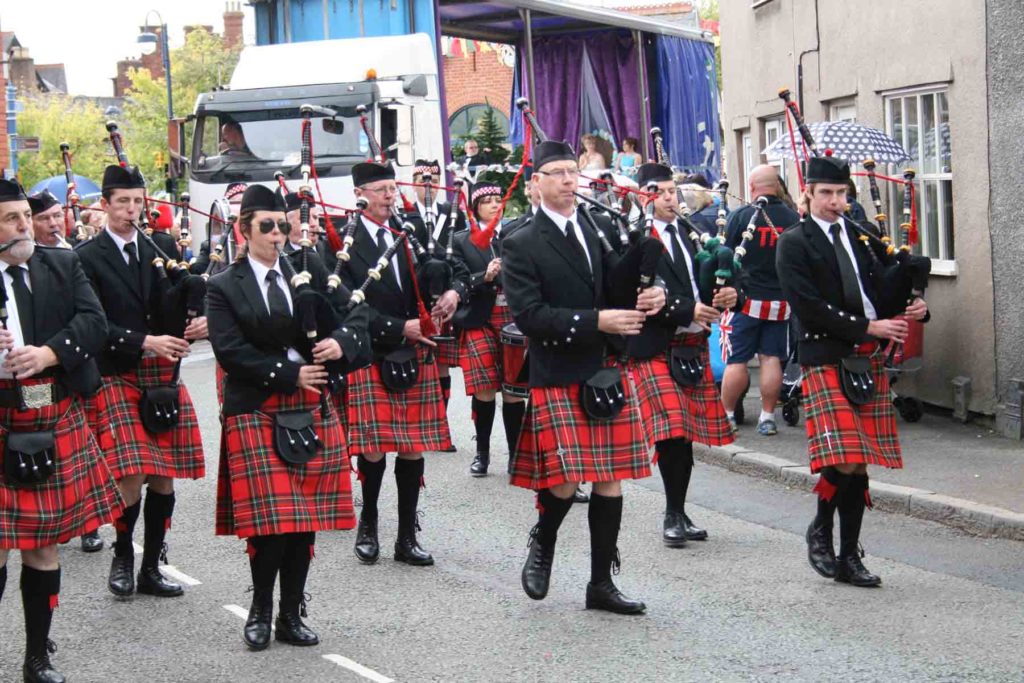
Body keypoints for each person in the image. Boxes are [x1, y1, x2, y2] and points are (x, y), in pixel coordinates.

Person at [502, 140, 665, 614]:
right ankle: (544, 539)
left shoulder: (596, 227)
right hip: (559, 370)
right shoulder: (520, 241)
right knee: (566, 480)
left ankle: (600, 584)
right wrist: (599, 321)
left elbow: (616, 286)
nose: (569, 180)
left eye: (573, 171)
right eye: (556, 172)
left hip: (604, 369)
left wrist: (648, 294)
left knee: (611, 478)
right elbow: (531, 316)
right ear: (535, 183)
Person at [208, 184, 370, 650]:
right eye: (268, 226)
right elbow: (230, 351)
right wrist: (291, 373)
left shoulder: (309, 268)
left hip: (311, 407)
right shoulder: (223, 286)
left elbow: (355, 315)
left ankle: (291, 611)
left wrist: (342, 343)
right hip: (257, 407)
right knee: (271, 524)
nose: (279, 234)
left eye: (283, 225)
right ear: (244, 230)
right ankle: (260, 607)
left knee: (304, 521)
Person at [777, 155, 928, 587]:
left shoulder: (860, 235)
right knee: (844, 458)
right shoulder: (795, 242)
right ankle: (824, 531)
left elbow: (882, 287)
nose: (835, 202)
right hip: (825, 354)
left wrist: (914, 305)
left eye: (842, 194)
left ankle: (846, 553)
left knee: (858, 466)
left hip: (866, 357)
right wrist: (868, 325)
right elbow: (807, 306)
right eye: (826, 193)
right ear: (807, 193)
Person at [0, 177, 123, 683]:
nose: (24, 225)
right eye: (11, 218)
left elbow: (94, 324)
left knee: (44, 545)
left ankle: (36, 658)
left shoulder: (63, 263)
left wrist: (47, 353)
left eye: (24, 215)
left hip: (52, 416)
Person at [75, 164, 206, 601]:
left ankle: (152, 564)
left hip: (163, 373)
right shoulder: (86, 258)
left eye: (137, 202)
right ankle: (123, 556)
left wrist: (194, 308)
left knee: (164, 475)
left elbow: (175, 302)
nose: (131, 210)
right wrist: (145, 341)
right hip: (118, 371)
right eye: (123, 203)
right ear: (106, 205)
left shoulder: (162, 245)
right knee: (130, 473)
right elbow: (93, 324)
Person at [337, 160, 462, 567]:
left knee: (411, 448)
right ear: (361, 195)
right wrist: (398, 327)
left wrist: (453, 293)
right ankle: (368, 523)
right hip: (372, 352)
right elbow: (343, 308)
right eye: (382, 190)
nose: (391, 196)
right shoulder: (343, 242)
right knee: (372, 450)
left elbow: (454, 268)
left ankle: (407, 536)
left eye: (393, 188)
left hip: (415, 351)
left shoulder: (410, 231)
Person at [628, 163, 738, 546]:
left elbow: (706, 283)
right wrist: (685, 309)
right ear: (644, 195)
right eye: (660, 191)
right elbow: (637, 295)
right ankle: (673, 515)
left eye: (673, 190)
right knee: (673, 430)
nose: (669, 197)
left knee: (685, 435)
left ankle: (679, 509)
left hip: (692, 345)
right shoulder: (635, 238)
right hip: (655, 345)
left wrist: (726, 295)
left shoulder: (694, 234)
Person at [450, 181, 526, 476]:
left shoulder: (516, 234)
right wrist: (485, 275)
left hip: (513, 318)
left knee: (513, 390)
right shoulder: (462, 239)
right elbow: (456, 280)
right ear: (476, 207)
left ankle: (515, 456)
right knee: (483, 389)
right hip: (480, 318)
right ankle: (482, 453)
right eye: (488, 201)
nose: (496, 205)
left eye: (498, 199)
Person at [720, 165, 800, 436]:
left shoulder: (742, 216)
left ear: (752, 188)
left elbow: (726, 256)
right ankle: (767, 417)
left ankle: (728, 416)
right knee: (771, 359)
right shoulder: (793, 217)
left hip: (745, 299)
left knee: (737, 360)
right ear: (777, 186)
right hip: (780, 301)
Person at [401, 159, 468, 437]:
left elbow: (462, 251)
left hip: (445, 293)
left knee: (441, 362)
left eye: (433, 179)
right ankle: (419, 422)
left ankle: (442, 424)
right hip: (415, 292)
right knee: (417, 360)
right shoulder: (404, 215)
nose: (427, 185)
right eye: (421, 180)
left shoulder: (451, 213)